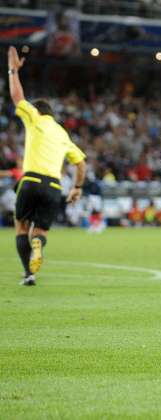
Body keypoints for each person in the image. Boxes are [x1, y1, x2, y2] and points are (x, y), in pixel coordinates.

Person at [7, 46, 86, 286]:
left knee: (21, 227)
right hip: (54, 186)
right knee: (40, 230)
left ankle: (28, 274)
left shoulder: (35, 118)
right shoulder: (62, 133)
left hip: (30, 181)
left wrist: (12, 71)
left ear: (38, 111)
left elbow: (17, 97)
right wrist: (77, 188)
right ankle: (39, 243)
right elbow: (81, 164)